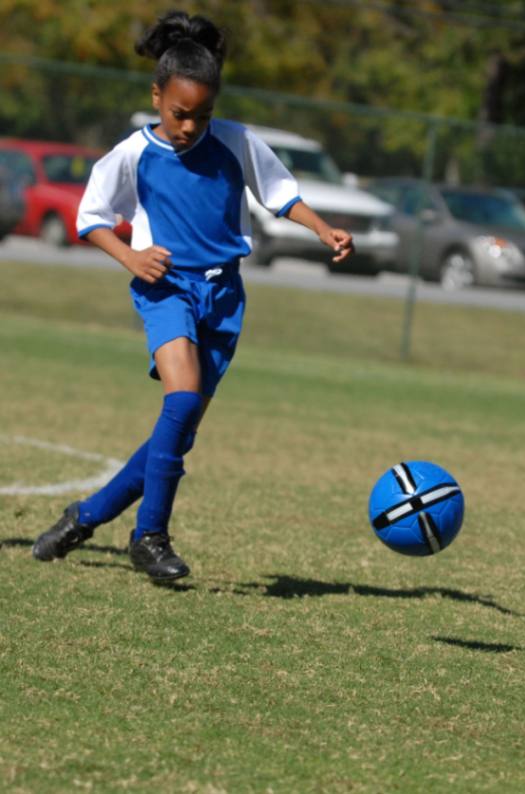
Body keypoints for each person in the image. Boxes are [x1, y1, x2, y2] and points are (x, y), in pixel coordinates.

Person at [31, 10, 354, 582]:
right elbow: (91, 217)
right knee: (179, 404)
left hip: (225, 296)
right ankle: (149, 538)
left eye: (202, 115)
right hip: (167, 288)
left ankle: (82, 517)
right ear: (157, 96)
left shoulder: (235, 141)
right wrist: (131, 256)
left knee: (178, 433)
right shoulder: (133, 153)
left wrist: (323, 229)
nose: (190, 126)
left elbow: (279, 195)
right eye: (180, 114)